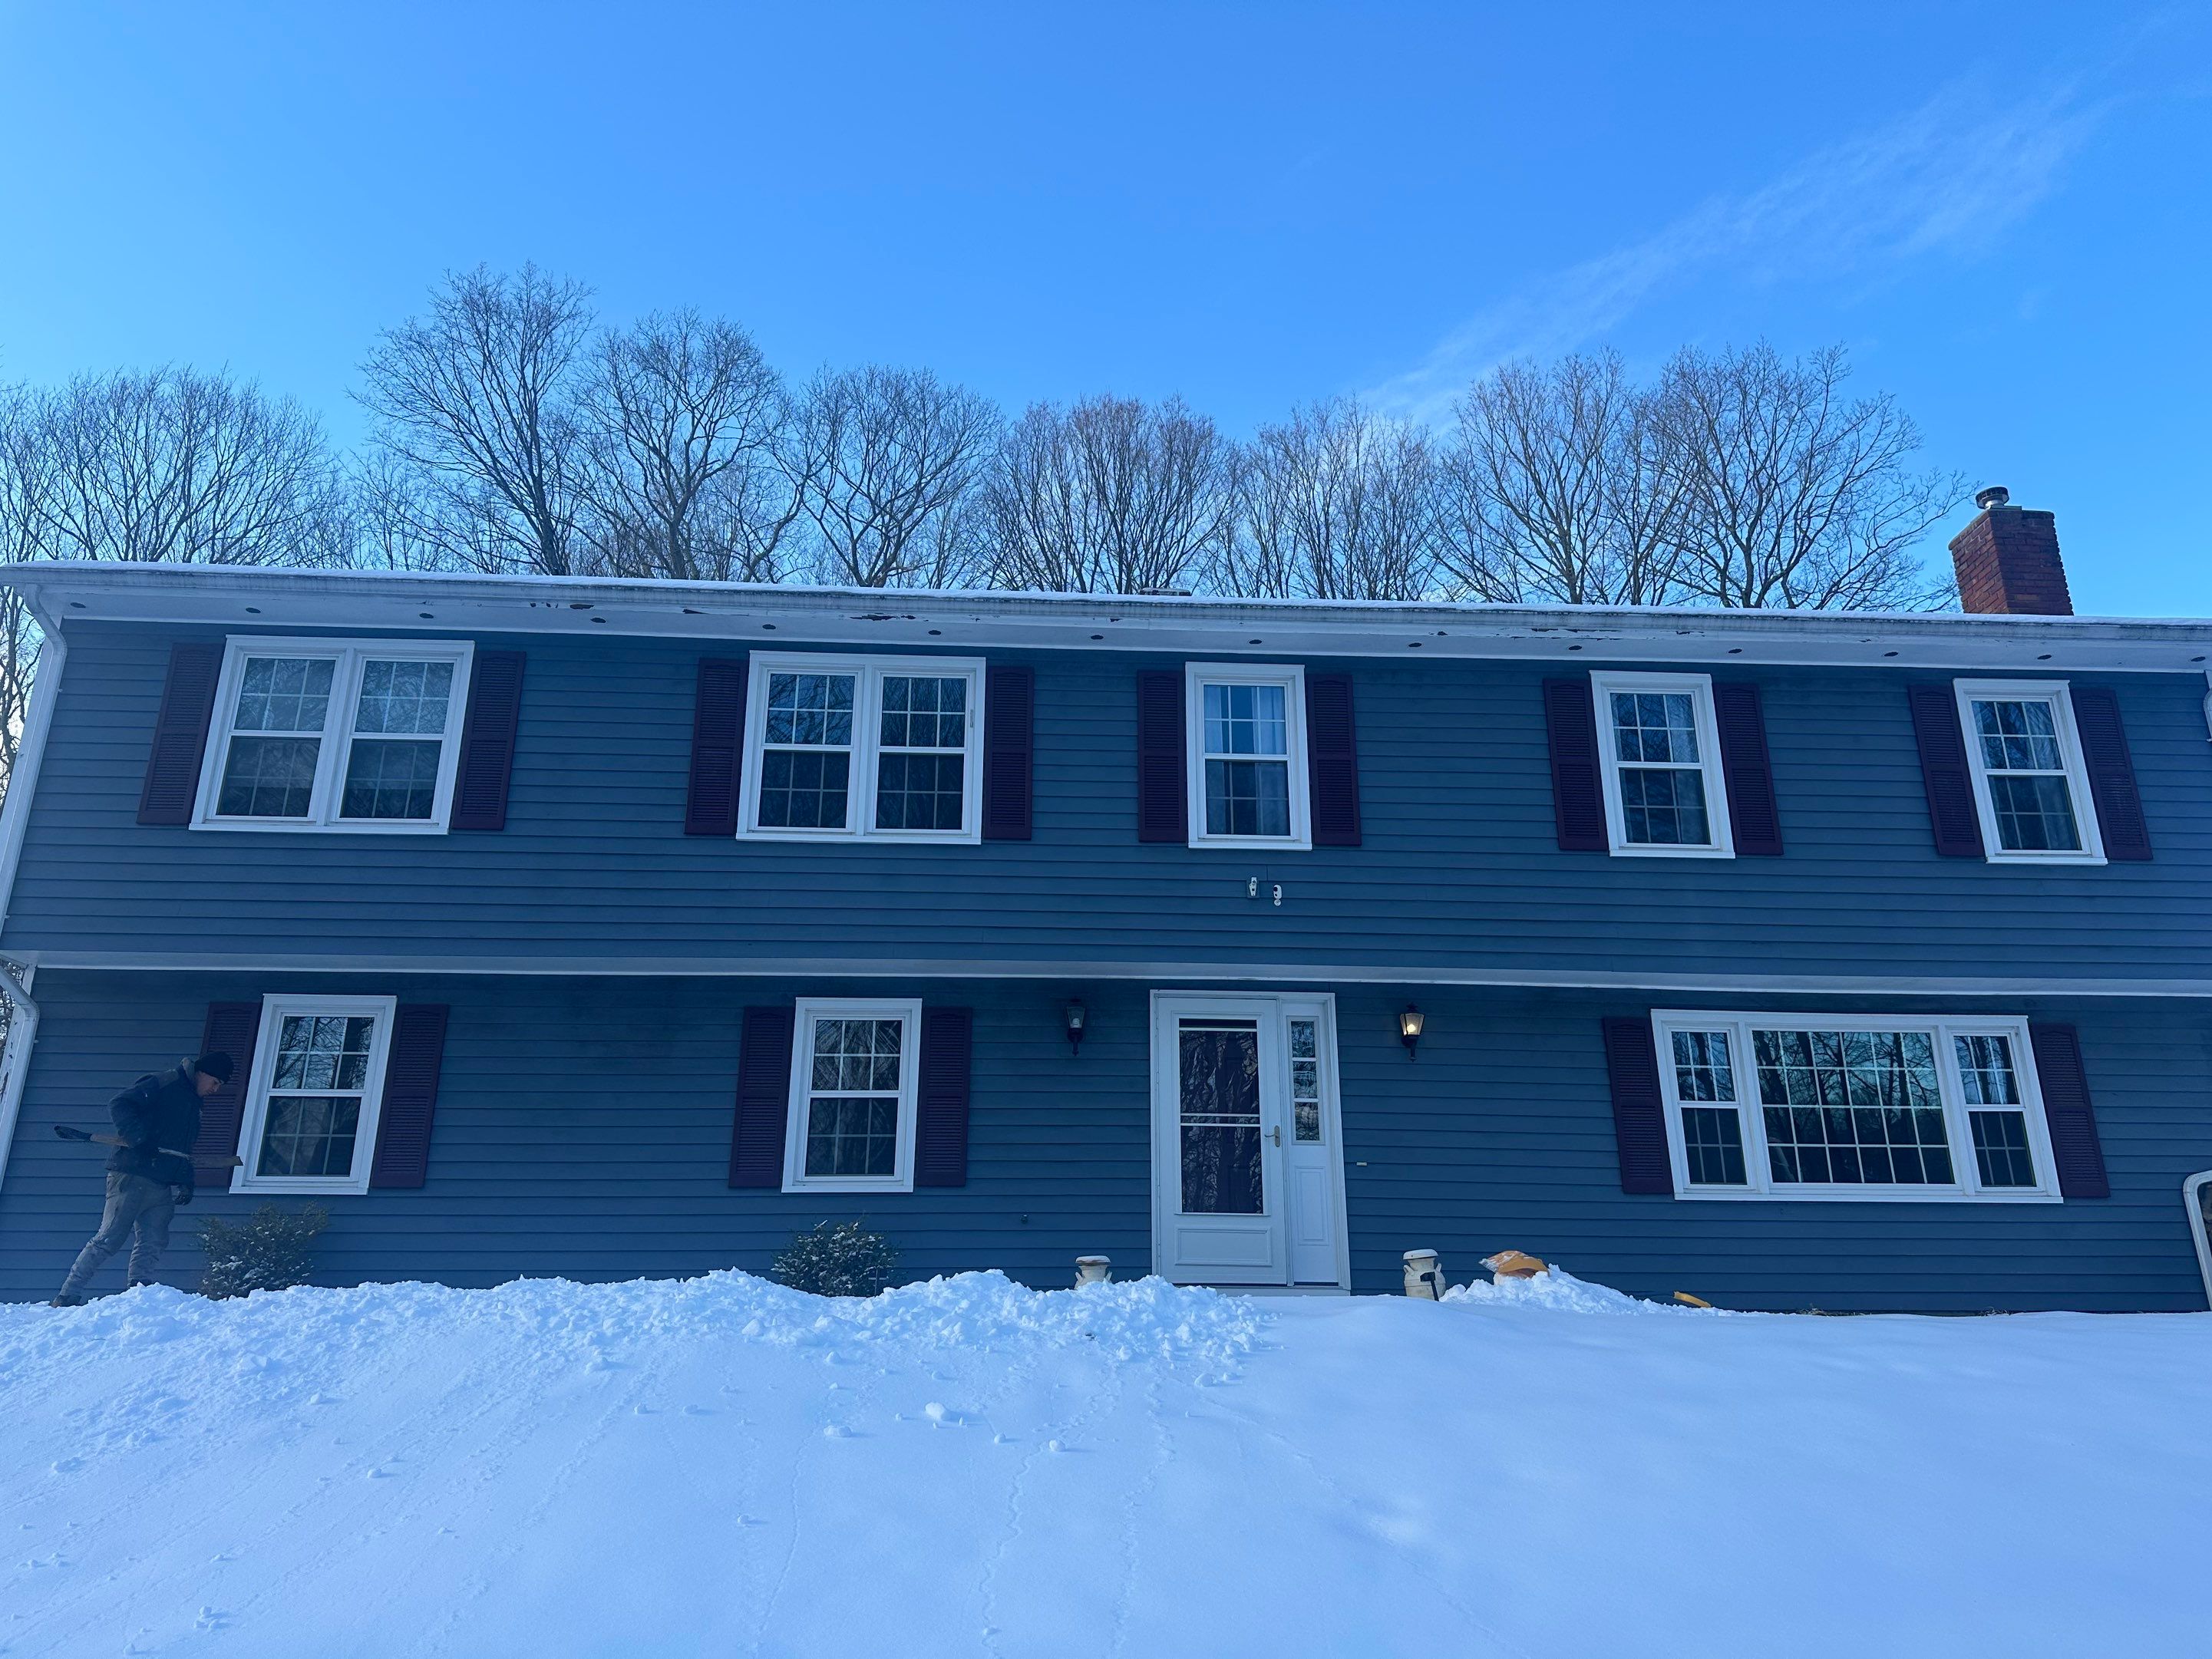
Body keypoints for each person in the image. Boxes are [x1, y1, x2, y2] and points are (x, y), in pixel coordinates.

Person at [50, 1051, 233, 1307]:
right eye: (216, 1082)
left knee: (154, 1240)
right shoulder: (165, 1083)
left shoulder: (193, 1103)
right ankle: (68, 1294)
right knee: (109, 1239)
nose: (215, 1089)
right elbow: (120, 1104)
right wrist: (138, 1139)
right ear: (203, 1073)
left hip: (161, 1184)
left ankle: (138, 1296)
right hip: (131, 1175)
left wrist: (186, 1179)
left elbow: (182, 1149)